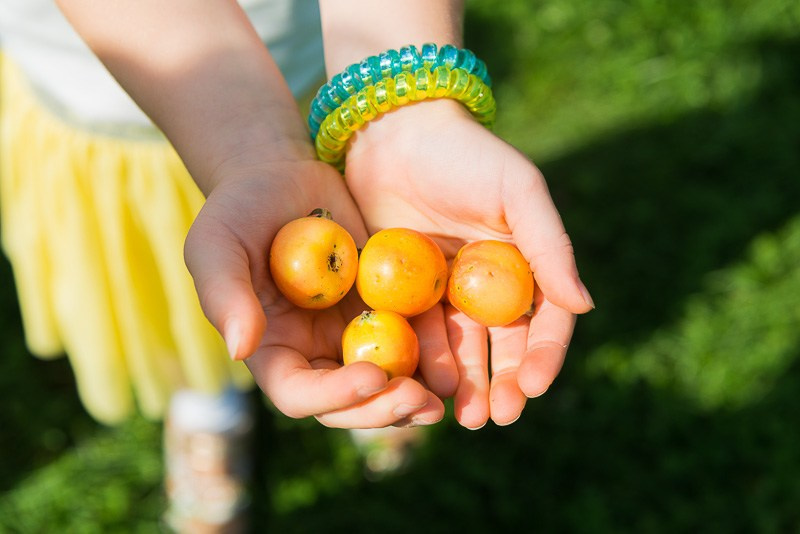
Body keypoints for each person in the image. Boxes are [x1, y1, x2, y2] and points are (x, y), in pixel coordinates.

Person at [2, 0, 593, 526]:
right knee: (180, 311)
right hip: (98, 106)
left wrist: (408, 112)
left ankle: (366, 392)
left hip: (331, 66)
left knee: (266, 314)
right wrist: (248, 153)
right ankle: (207, 408)